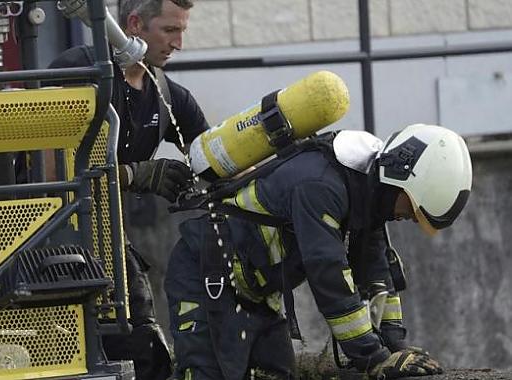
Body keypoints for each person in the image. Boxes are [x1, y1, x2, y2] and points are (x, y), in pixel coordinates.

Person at [165, 124, 472, 379]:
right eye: (412, 208)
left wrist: (396, 347)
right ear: (401, 178)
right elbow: (328, 275)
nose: (409, 217)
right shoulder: (321, 185)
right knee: (206, 373)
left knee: (274, 372)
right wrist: (373, 358)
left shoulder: (368, 186)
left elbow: (377, 271)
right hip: (205, 275)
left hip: (254, 291)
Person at [48, 0, 210, 379]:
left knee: (143, 348)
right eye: (170, 30)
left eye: (182, 31)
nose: (179, 43)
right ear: (135, 24)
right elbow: (53, 173)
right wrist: (133, 175)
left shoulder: (167, 95)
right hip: (48, 239)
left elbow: (214, 155)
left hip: (107, 239)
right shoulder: (79, 72)